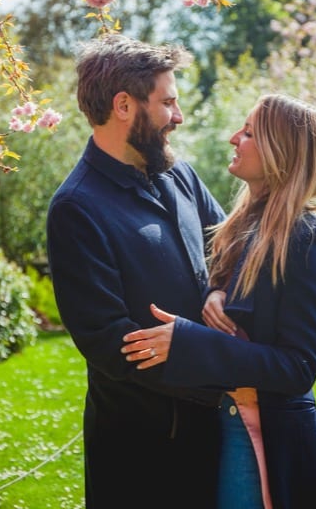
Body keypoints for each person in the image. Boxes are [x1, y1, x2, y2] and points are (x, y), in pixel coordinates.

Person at [122, 93, 316, 509]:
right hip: (223, 421)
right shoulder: (241, 227)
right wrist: (216, 292)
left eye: (249, 132)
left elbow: (299, 368)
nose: (232, 138)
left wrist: (187, 343)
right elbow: (242, 303)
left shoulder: (309, 238)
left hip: (266, 438)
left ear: (281, 152)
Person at [46, 33, 226, 509]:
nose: (179, 117)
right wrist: (220, 370)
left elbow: (234, 250)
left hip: (215, 431)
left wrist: (299, 309)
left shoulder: (179, 174)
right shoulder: (75, 208)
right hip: (140, 453)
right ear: (124, 105)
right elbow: (110, 342)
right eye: (168, 102)